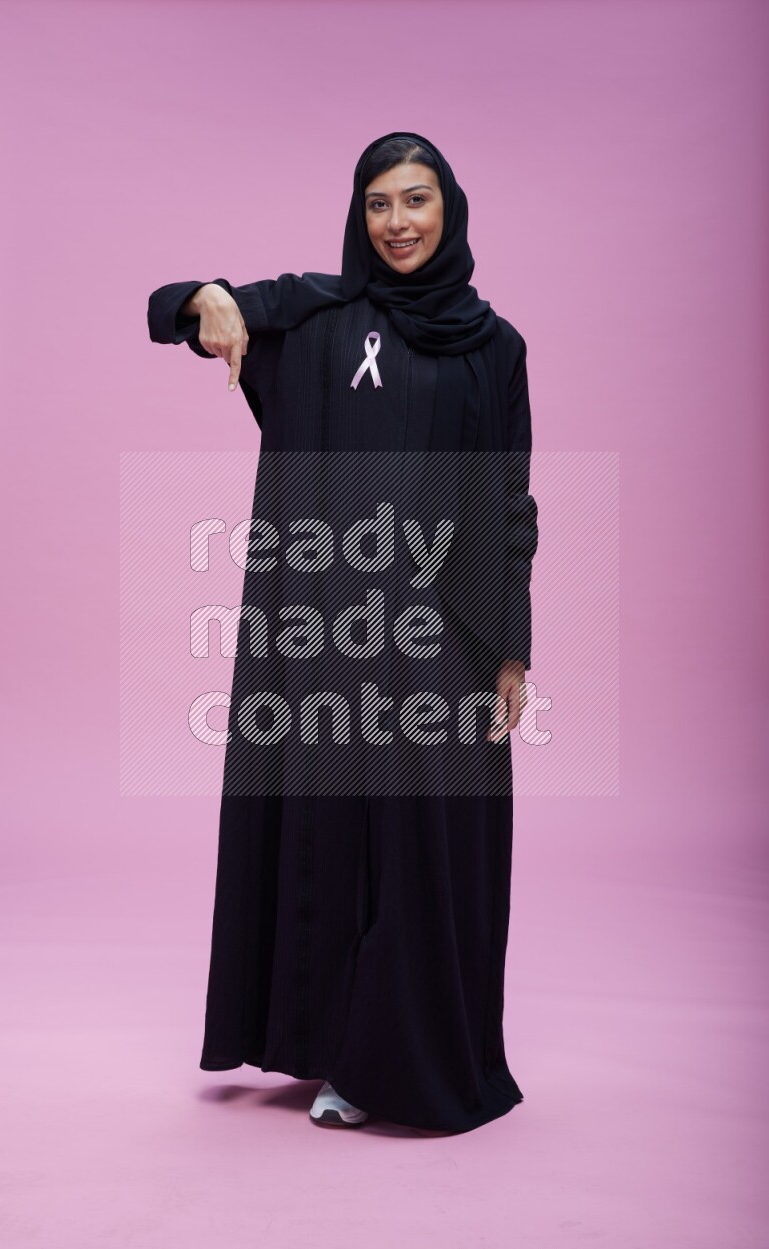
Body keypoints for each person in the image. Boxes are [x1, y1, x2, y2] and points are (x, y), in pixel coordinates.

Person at [147, 130, 538, 1134]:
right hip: (324, 629)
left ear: (446, 209)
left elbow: (505, 501)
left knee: (420, 847)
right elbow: (177, 311)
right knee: (329, 837)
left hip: (441, 638)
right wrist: (212, 300)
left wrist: (510, 648)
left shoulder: (493, 348)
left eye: (414, 201)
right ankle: (336, 1048)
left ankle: (397, 1060)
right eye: (377, 204)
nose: (396, 222)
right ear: (358, 217)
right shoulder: (322, 315)